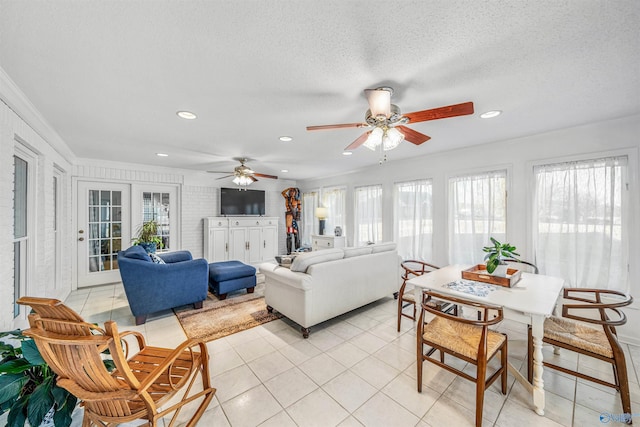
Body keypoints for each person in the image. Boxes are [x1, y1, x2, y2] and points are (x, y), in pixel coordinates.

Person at [281, 187, 301, 254]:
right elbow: (283, 192)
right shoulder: (287, 198)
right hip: (289, 218)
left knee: (296, 235)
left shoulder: (297, 200)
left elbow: (299, 210)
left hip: (294, 219)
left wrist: (298, 216)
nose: (292, 192)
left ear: (295, 193)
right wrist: (288, 188)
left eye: (293, 191)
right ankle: (288, 252)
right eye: (291, 191)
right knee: (289, 236)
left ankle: (297, 251)